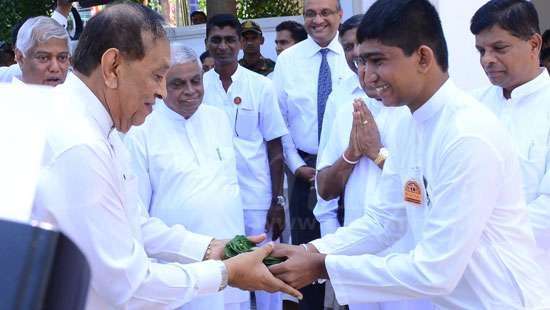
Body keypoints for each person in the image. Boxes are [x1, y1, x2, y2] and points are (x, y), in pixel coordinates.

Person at [268, 0, 550, 308]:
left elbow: (435, 272)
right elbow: (384, 220)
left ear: (423, 58)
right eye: (363, 62)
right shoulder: (410, 123)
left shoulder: (467, 132)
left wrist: (323, 266)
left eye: (378, 61)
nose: (368, 76)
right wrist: (308, 251)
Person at [31, 3, 301, 309]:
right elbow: (123, 285)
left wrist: (211, 248)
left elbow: (134, 222)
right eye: (158, 76)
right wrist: (224, 273)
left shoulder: (102, 128)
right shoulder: (78, 143)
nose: (162, 93)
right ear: (112, 67)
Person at [125, 44, 249, 310]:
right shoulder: (141, 131)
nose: (190, 91)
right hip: (181, 272)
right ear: (160, 84)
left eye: (196, 80)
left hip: (232, 259)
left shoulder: (218, 118)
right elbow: (137, 217)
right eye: (178, 84)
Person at [202, 14, 289, 310]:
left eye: (229, 39)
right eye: (216, 39)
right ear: (207, 43)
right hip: (215, 198)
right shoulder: (197, 88)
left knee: (266, 274)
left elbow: (276, 148)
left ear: (240, 43)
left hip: (257, 198)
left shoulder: (261, 86)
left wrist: (278, 200)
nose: (223, 46)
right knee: (221, 277)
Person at [271, 0, 353, 307]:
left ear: (339, 16)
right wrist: (296, 167)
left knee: (348, 245)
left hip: (350, 167)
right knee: (306, 252)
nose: (318, 20)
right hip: (304, 169)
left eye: (326, 13)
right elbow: (282, 121)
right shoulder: (288, 60)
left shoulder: (352, 55)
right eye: (310, 14)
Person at [470, 0, 550, 280]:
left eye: (499, 48)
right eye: (481, 50)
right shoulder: (469, 107)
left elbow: (546, 214)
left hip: (534, 279)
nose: (487, 59)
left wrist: (470, 231)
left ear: (534, 45)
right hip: (468, 278)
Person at [13, 16, 70, 86]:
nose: (55, 68)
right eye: (43, 58)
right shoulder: (7, 96)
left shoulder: (75, 95)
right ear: (20, 58)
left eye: (62, 58)